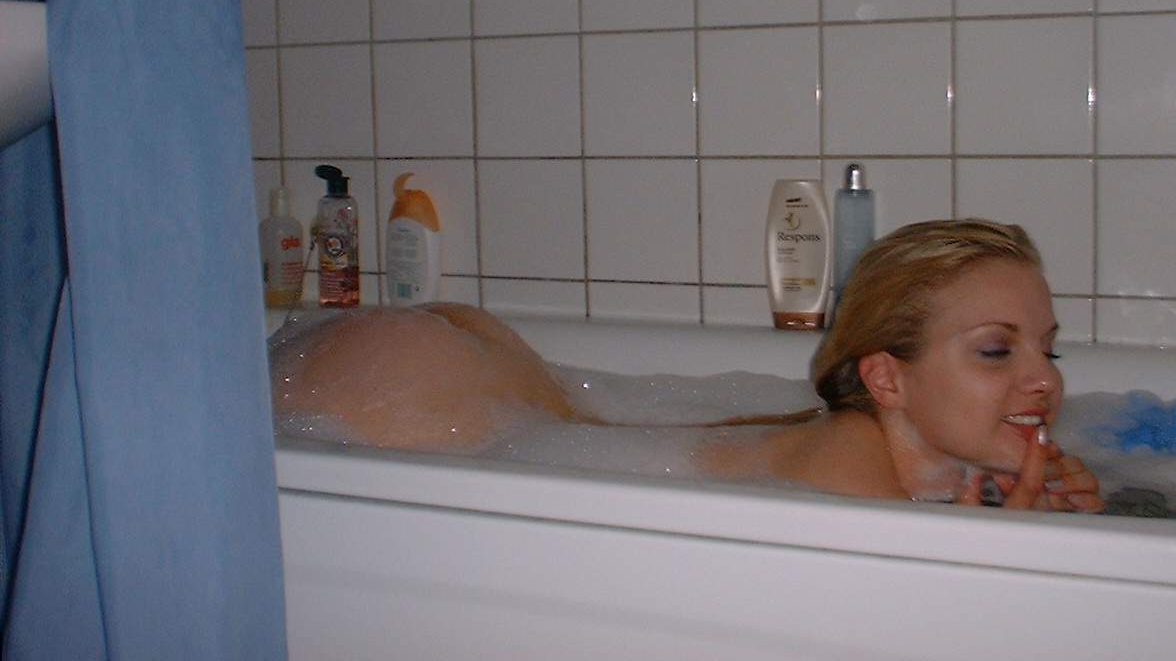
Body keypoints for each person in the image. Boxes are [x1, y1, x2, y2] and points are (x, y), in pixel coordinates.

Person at [271, 218, 1101, 512]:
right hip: (408, 380)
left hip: (494, 381)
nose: (1045, 379)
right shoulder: (853, 460)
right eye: (997, 350)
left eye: (1048, 347)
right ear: (887, 380)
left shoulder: (889, 454)